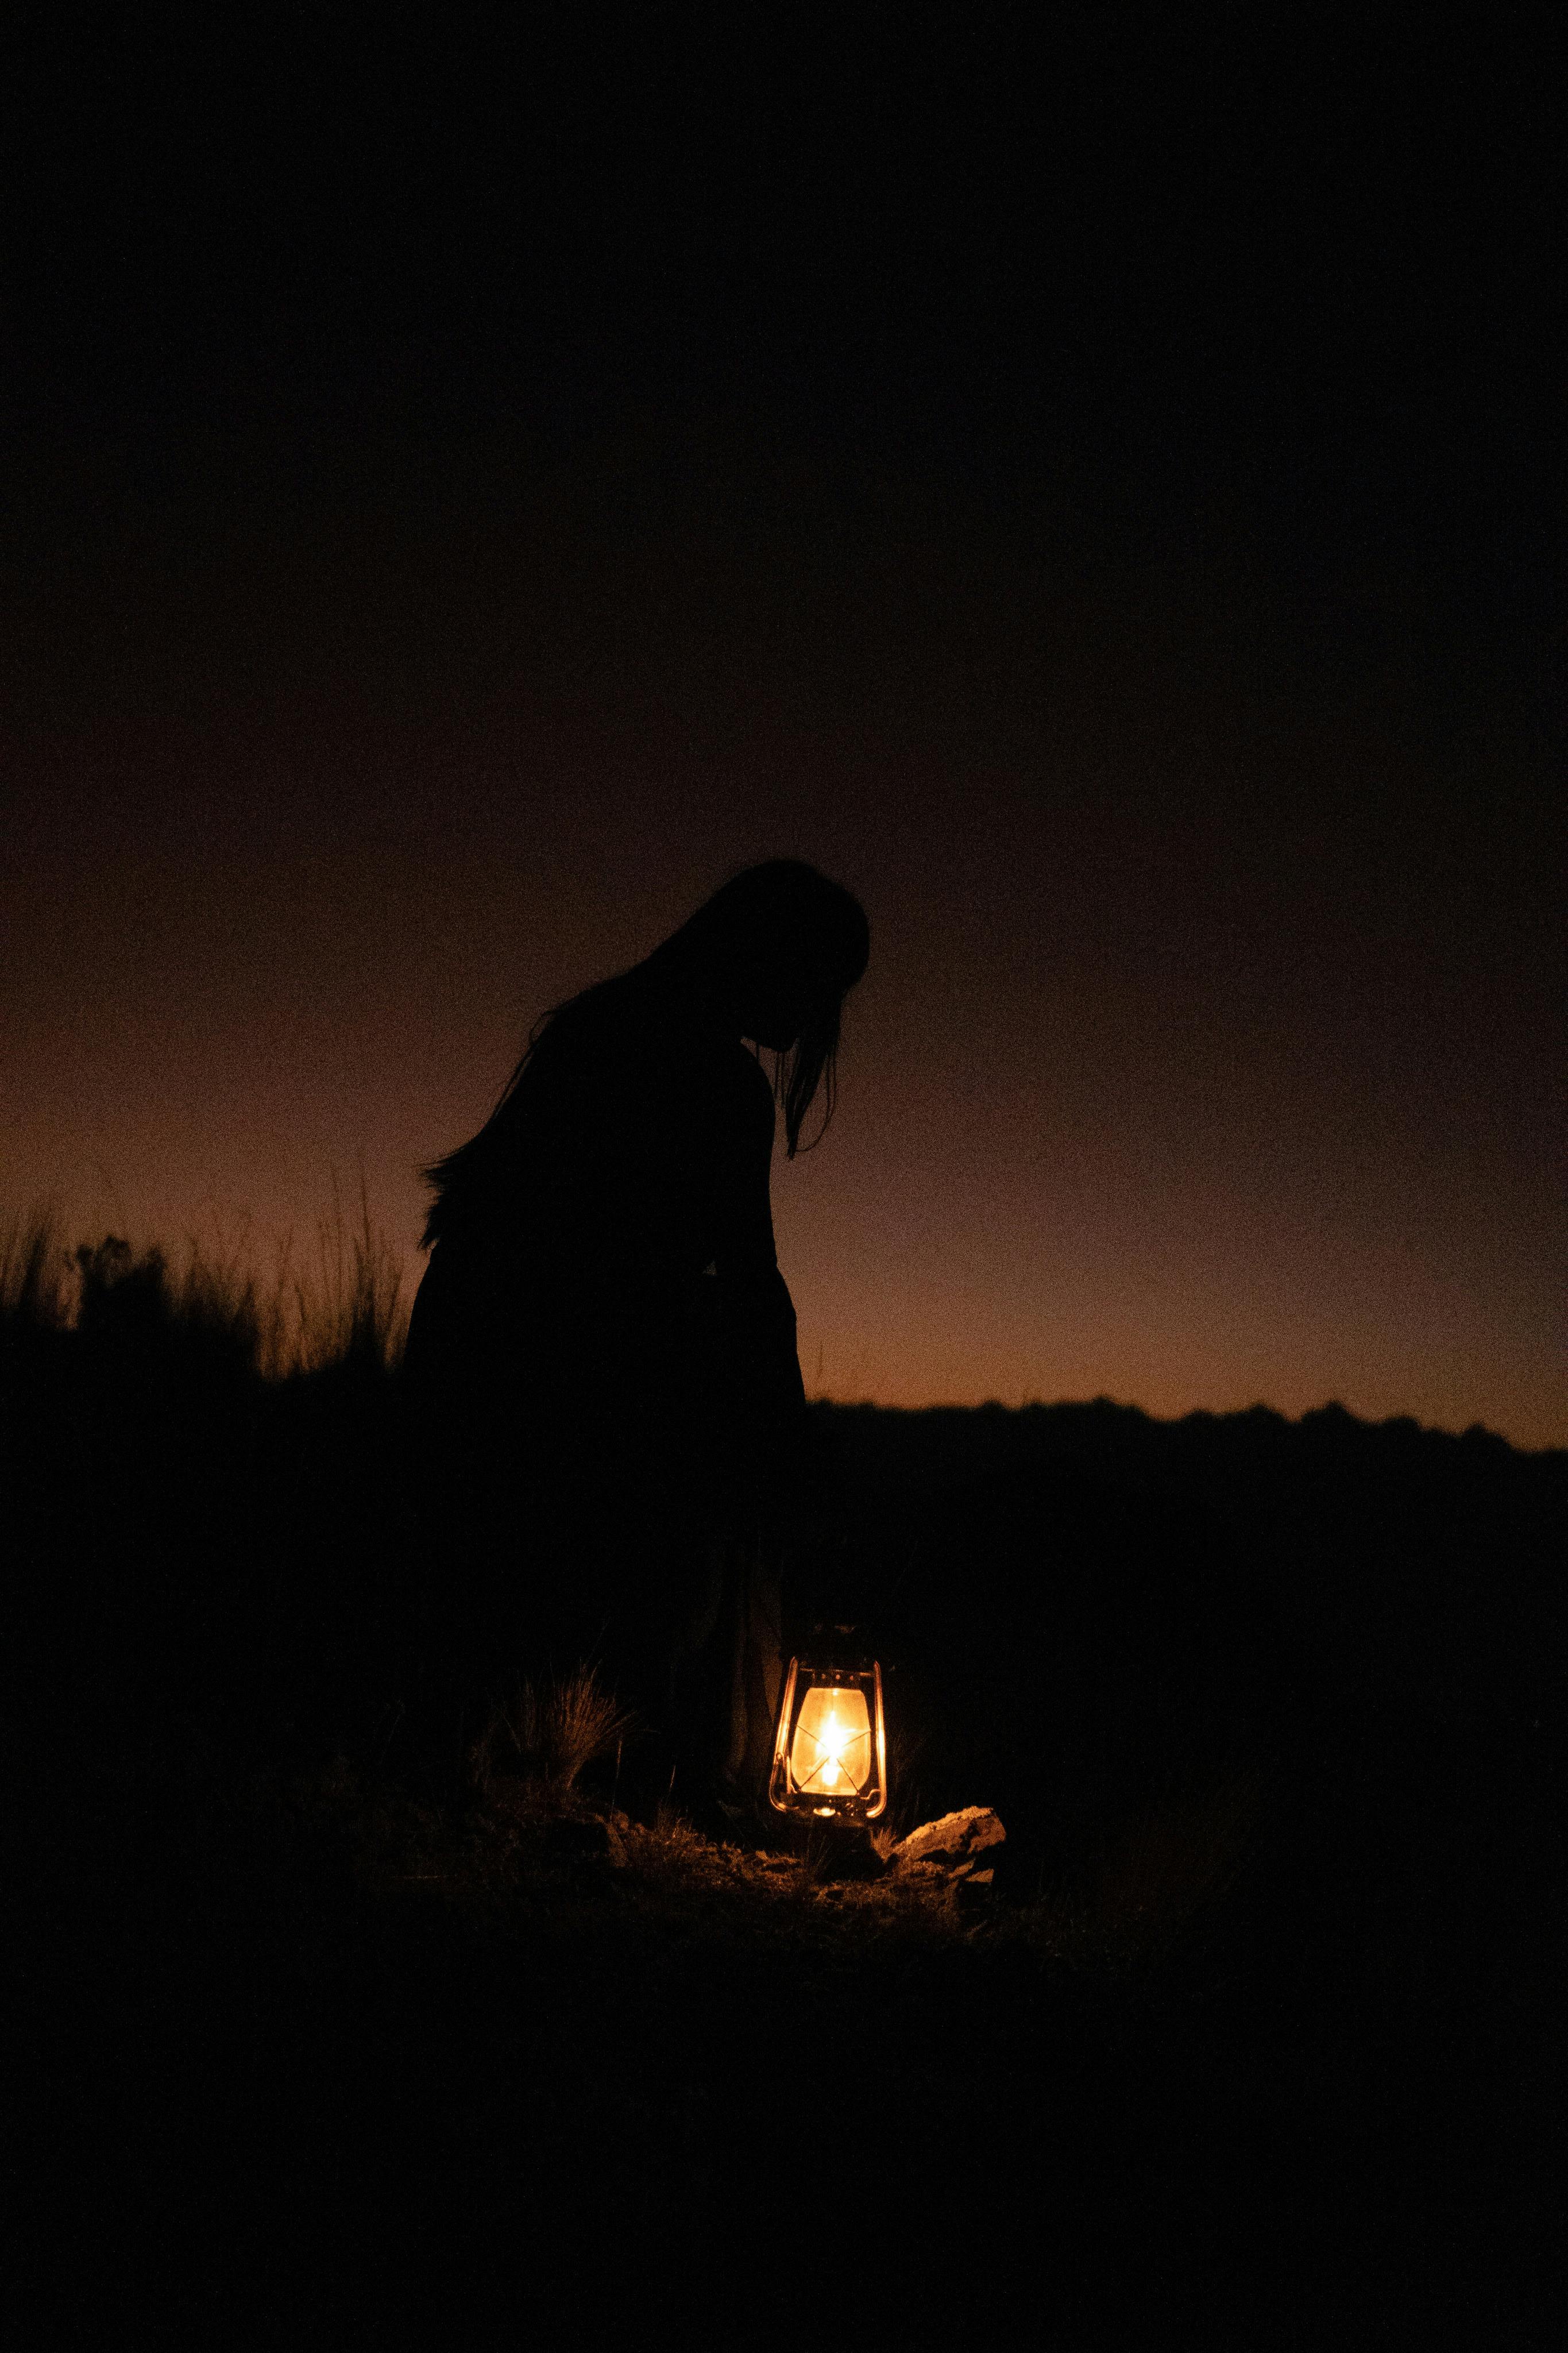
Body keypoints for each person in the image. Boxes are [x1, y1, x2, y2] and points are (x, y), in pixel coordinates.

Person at [399, 858, 870, 1811]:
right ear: (768, 958)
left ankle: (532, 1763)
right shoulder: (711, 1077)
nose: (820, 1014)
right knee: (650, 1568)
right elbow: (746, 1279)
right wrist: (786, 1440)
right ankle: (639, 1775)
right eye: (817, 982)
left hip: (482, 1333)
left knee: (501, 1595)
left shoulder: (596, 1025)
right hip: (572, 1359)